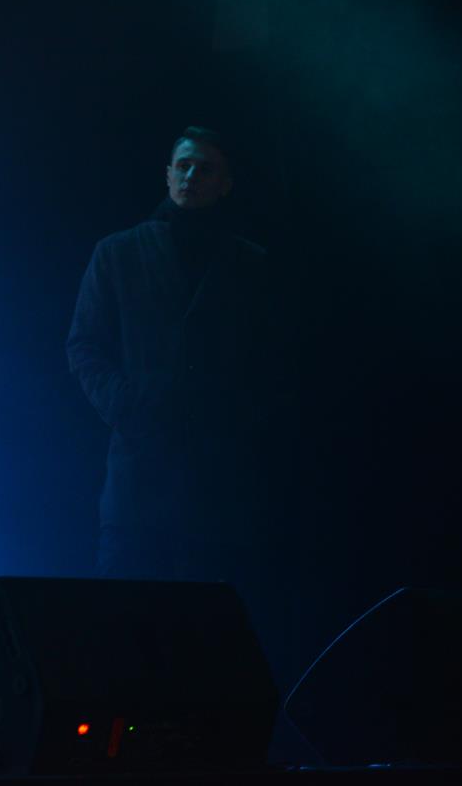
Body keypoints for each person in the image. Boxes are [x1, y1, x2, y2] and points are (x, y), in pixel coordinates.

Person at [67, 127, 278, 583]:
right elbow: (85, 344)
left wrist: (238, 419)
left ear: (225, 183)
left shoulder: (249, 264)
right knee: (123, 607)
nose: (191, 177)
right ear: (167, 175)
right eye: (183, 166)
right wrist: (126, 403)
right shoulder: (118, 253)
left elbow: (271, 359)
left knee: (202, 611)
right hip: (138, 472)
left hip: (217, 480)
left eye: (205, 169)